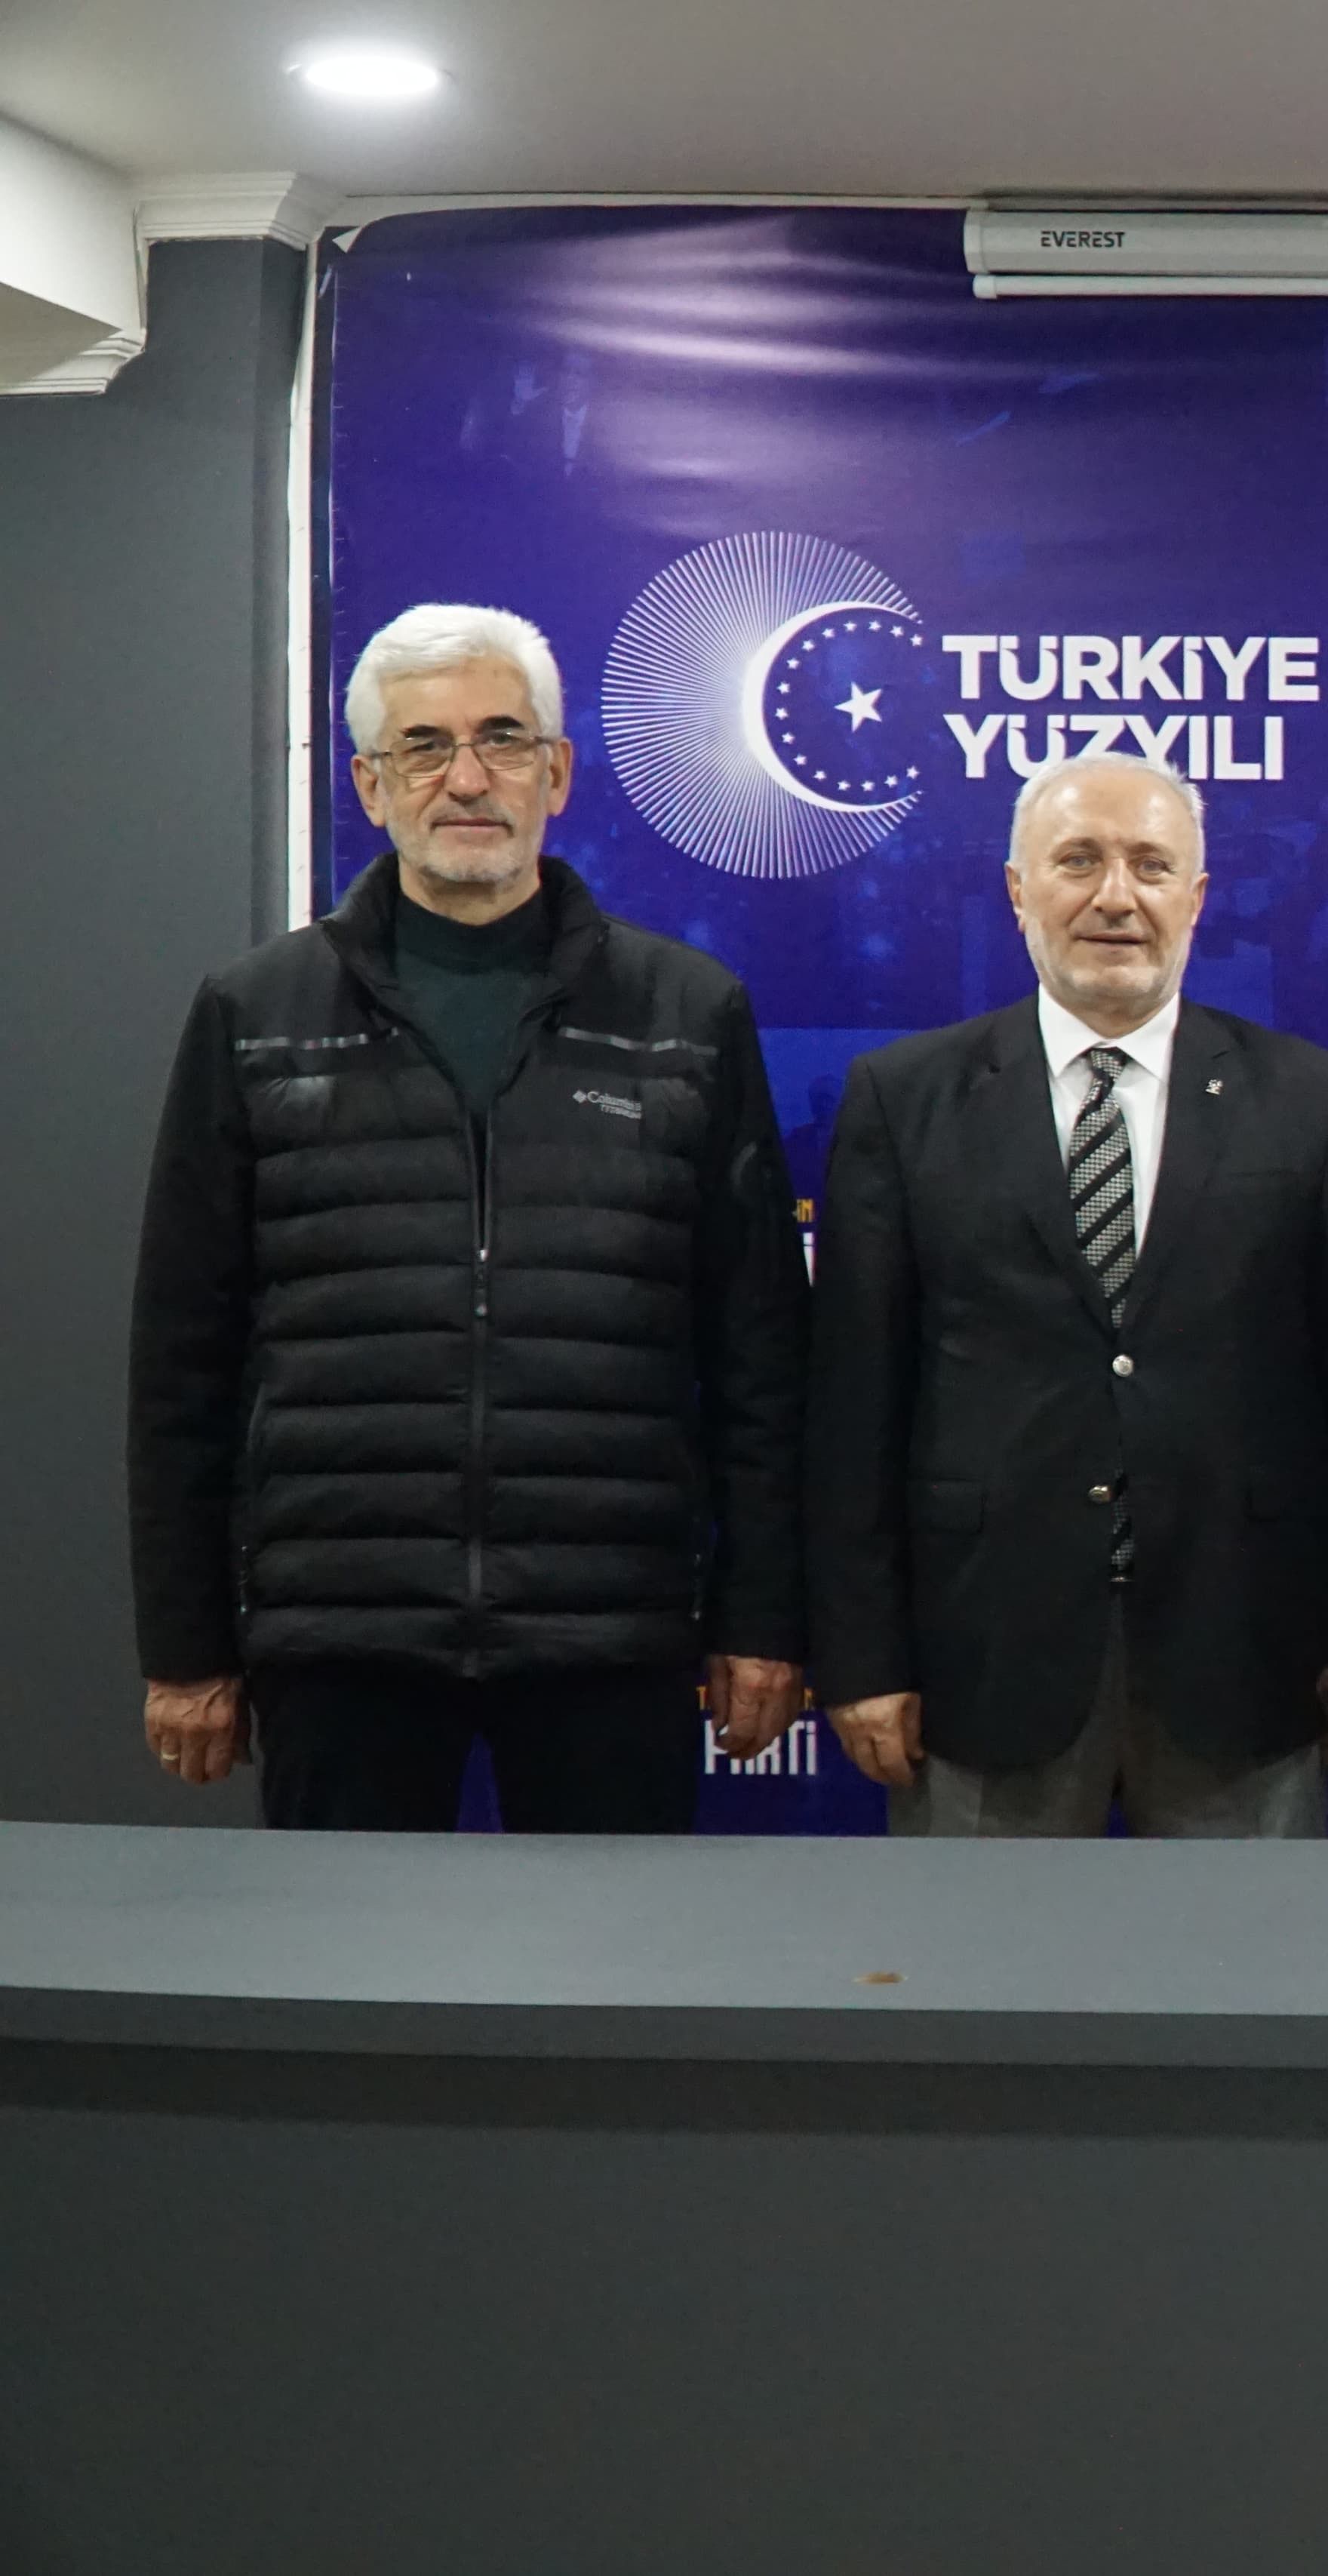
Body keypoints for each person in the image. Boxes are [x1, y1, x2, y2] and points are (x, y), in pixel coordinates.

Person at [129, 602, 807, 1829]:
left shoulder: (689, 1012)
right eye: (424, 746)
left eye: (502, 737)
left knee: (615, 1956)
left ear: (558, 771)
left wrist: (761, 1616)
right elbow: (183, 1361)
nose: (468, 777)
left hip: (610, 1628)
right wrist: (186, 1645)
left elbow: (759, 1354)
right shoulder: (256, 1015)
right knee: (343, 1954)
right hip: (343, 1628)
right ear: (369, 785)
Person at [806, 753, 1328, 1834]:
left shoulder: (1309, 1099)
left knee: (1250, 1955)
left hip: (1246, 1653)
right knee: (981, 1953)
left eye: (1150, 864)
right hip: (980, 1658)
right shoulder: (903, 1099)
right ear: (1017, 889)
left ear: (1197, 895)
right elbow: (856, 1403)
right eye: (1079, 860)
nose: (1116, 896)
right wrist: (862, 1655)